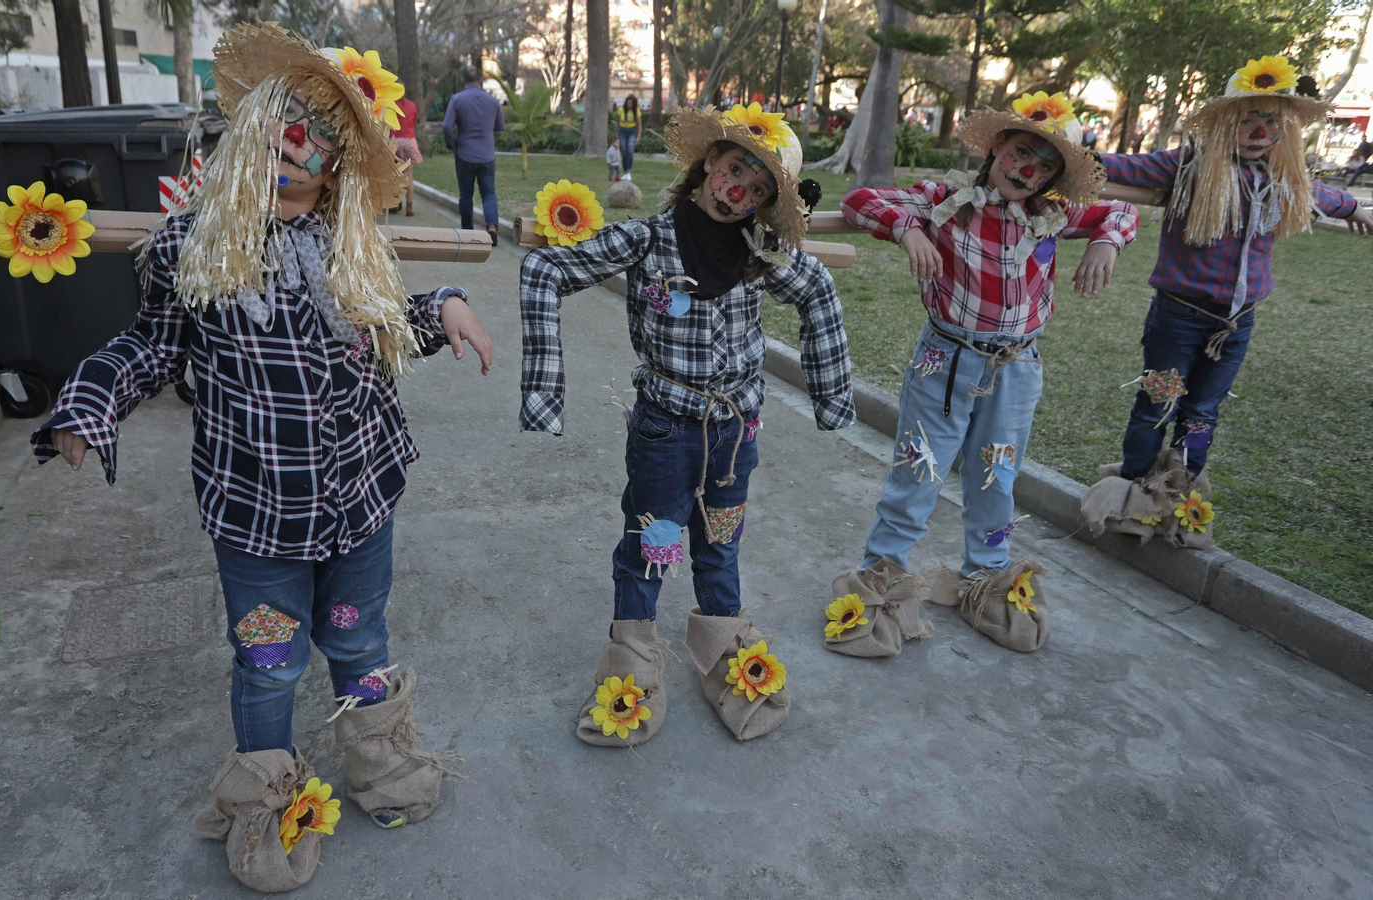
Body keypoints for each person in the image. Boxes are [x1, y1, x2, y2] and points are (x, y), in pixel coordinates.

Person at [30, 23, 493, 892]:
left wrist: (448, 308)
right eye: (285, 135)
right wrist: (89, 401)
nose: (298, 156)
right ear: (250, 140)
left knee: (360, 645)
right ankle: (267, 799)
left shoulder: (352, 242)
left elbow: (388, 328)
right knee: (268, 660)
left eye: (319, 147)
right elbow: (150, 348)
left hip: (359, 497)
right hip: (255, 513)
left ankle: (380, 767)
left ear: (339, 166)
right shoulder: (188, 246)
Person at [520, 103, 855, 745]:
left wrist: (833, 399)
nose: (739, 193)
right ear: (708, 163)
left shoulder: (761, 254)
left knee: (721, 541)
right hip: (666, 433)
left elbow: (817, 292)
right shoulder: (648, 239)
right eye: (735, 172)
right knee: (653, 545)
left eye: (758, 189)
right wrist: (544, 396)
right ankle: (632, 672)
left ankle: (729, 649)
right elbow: (546, 269)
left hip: (736, 436)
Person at [838, 92, 1137, 654]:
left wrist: (1106, 243)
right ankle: (882, 580)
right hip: (946, 360)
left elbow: (1122, 211)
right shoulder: (948, 200)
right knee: (918, 471)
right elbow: (860, 199)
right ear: (997, 145)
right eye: (1023, 152)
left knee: (996, 475)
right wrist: (909, 230)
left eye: (1046, 164)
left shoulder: (1053, 214)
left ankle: (987, 575)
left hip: (1017, 365)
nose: (1030, 170)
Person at [1081, 57, 1373, 550]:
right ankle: (1134, 497)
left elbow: (1323, 194)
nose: (1260, 131)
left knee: (1201, 414)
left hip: (1236, 326)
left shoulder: (1283, 179)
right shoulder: (1188, 166)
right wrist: (1058, 160)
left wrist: (1359, 207)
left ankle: (1179, 493)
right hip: (1177, 320)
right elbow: (1114, 166)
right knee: (1157, 404)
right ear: (1224, 123)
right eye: (1248, 120)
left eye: (1270, 122)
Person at [443, 65, 505, 244]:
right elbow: (500, 126)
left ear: (462, 81)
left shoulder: (456, 99)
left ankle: (468, 232)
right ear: (480, 80)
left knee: (466, 194)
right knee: (488, 192)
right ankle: (492, 227)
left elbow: (447, 125)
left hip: (464, 154)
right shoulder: (492, 101)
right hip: (487, 154)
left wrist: (452, 145)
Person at [391, 94, 422, 216]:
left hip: (395, 140)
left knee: (394, 173)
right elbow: (413, 123)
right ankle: (409, 206)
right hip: (409, 140)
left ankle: (394, 203)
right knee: (409, 174)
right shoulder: (412, 105)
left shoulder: (392, 104)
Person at [617, 94, 642, 174]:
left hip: (632, 131)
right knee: (624, 150)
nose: (630, 105)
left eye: (631, 103)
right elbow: (617, 123)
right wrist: (617, 135)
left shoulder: (636, 111)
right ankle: (625, 170)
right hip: (622, 131)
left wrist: (638, 136)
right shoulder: (621, 110)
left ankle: (628, 170)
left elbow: (639, 125)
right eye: (628, 103)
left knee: (630, 151)